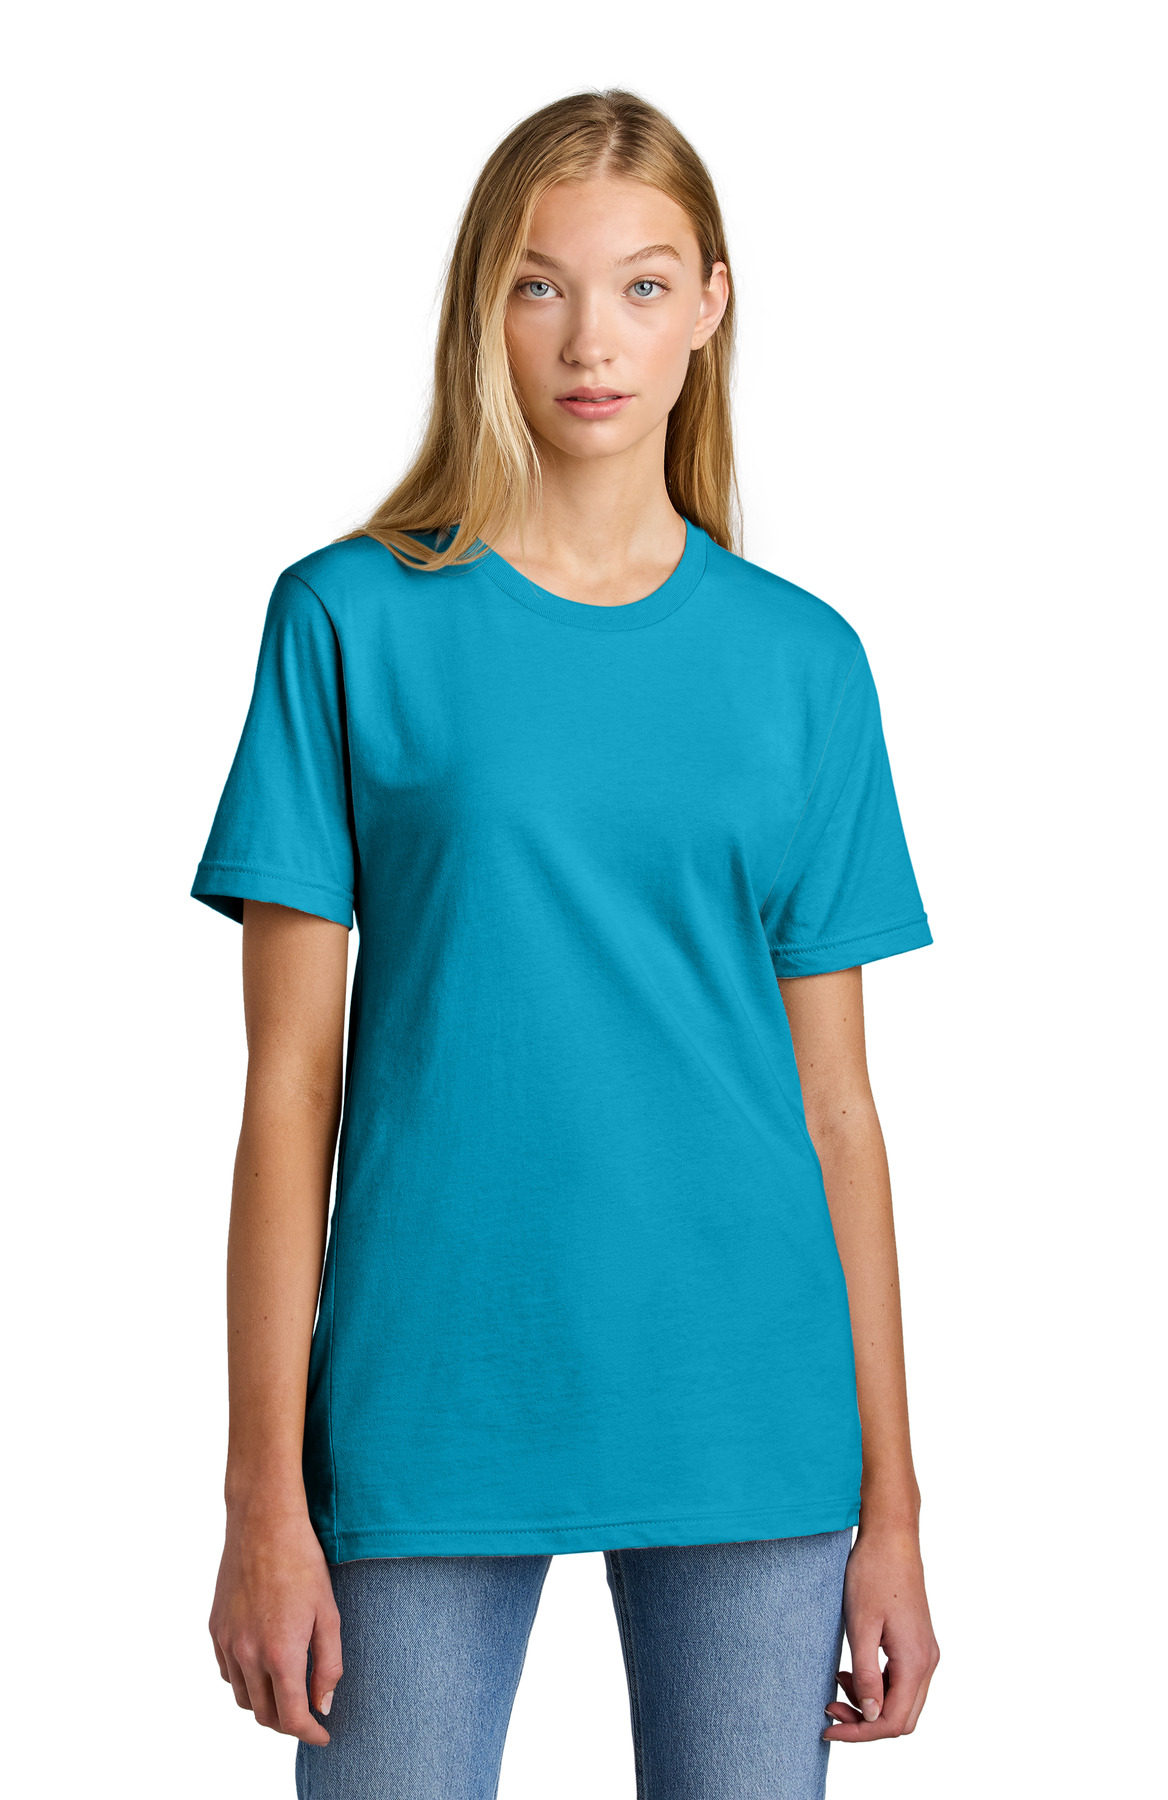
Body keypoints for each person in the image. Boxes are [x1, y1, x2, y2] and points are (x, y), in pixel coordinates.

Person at [191, 88, 940, 1800]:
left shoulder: (803, 662)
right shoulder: (347, 620)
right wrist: (259, 1497)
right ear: (484, 306)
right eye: (541, 286)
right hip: (428, 1397)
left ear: (711, 307)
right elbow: (289, 1090)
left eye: (643, 286)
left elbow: (838, 1113)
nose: (593, 340)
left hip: (747, 1402)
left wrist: (894, 1508)